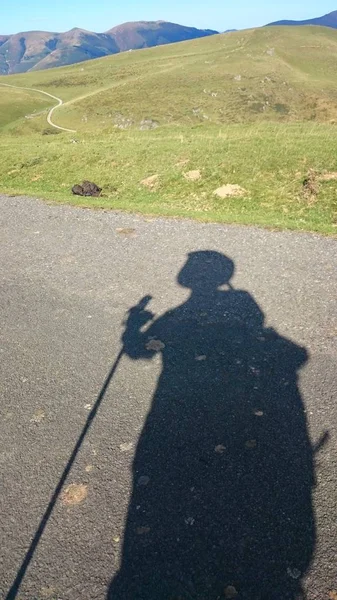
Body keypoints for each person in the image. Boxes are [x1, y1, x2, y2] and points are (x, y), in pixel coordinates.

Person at [108, 251, 315, 600]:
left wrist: (133, 325)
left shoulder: (175, 317)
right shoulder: (241, 303)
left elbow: (139, 350)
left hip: (186, 405)